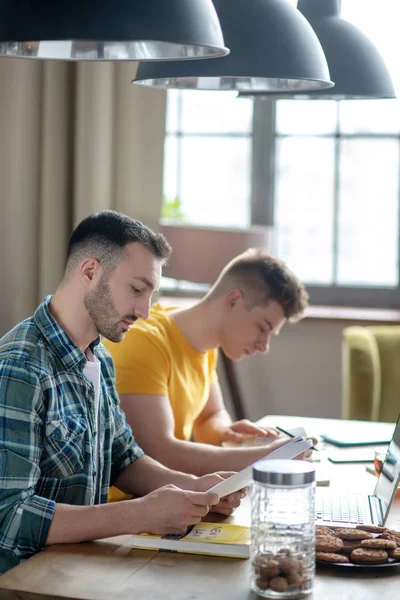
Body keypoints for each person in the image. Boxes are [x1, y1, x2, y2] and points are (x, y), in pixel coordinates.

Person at [0, 210, 241, 575]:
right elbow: (10, 518)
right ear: (90, 272)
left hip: (81, 567)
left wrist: (194, 490)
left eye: (151, 293)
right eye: (136, 289)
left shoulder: (100, 359)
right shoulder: (20, 369)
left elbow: (124, 459)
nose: (145, 312)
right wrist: (138, 513)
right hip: (27, 579)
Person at [105, 248, 310, 497]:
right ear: (233, 300)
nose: (263, 346)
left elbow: (209, 416)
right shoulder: (145, 342)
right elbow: (159, 453)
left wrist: (228, 433)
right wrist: (268, 456)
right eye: (262, 328)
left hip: (168, 500)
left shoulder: (204, 344)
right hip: (129, 511)